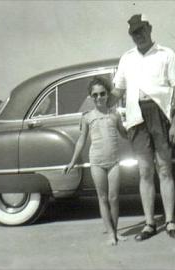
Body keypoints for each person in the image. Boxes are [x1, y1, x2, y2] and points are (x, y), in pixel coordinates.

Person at [111, 14, 175, 241]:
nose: (139, 35)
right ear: (131, 35)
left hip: (160, 116)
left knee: (164, 169)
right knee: (145, 172)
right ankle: (149, 223)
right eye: (134, 32)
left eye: (142, 30)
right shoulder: (127, 58)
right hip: (136, 117)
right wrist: (99, 105)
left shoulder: (166, 54)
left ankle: (171, 221)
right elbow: (118, 91)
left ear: (150, 28)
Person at [65, 77, 127, 246]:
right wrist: (72, 161)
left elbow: (124, 133)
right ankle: (110, 234)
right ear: (91, 97)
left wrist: (140, 135)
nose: (99, 97)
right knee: (103, 197)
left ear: (107, 94)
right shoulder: (87, 117)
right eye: (95, 95)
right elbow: (81, 141)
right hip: (97, 162)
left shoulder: (114, 114)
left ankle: (116, 231)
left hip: (114, 161)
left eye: (102, 94)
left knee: (114, 197)